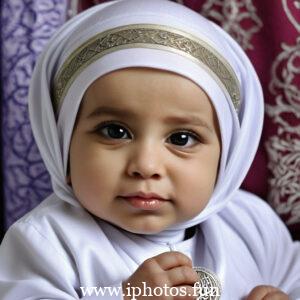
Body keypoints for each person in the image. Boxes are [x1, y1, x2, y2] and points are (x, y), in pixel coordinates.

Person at [0, 0, 299, 299]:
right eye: (115, 132)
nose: (146, 165)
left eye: (181, 139)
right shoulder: (44, 243)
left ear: (227, 155)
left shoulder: (252, 226)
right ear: (62, 142)